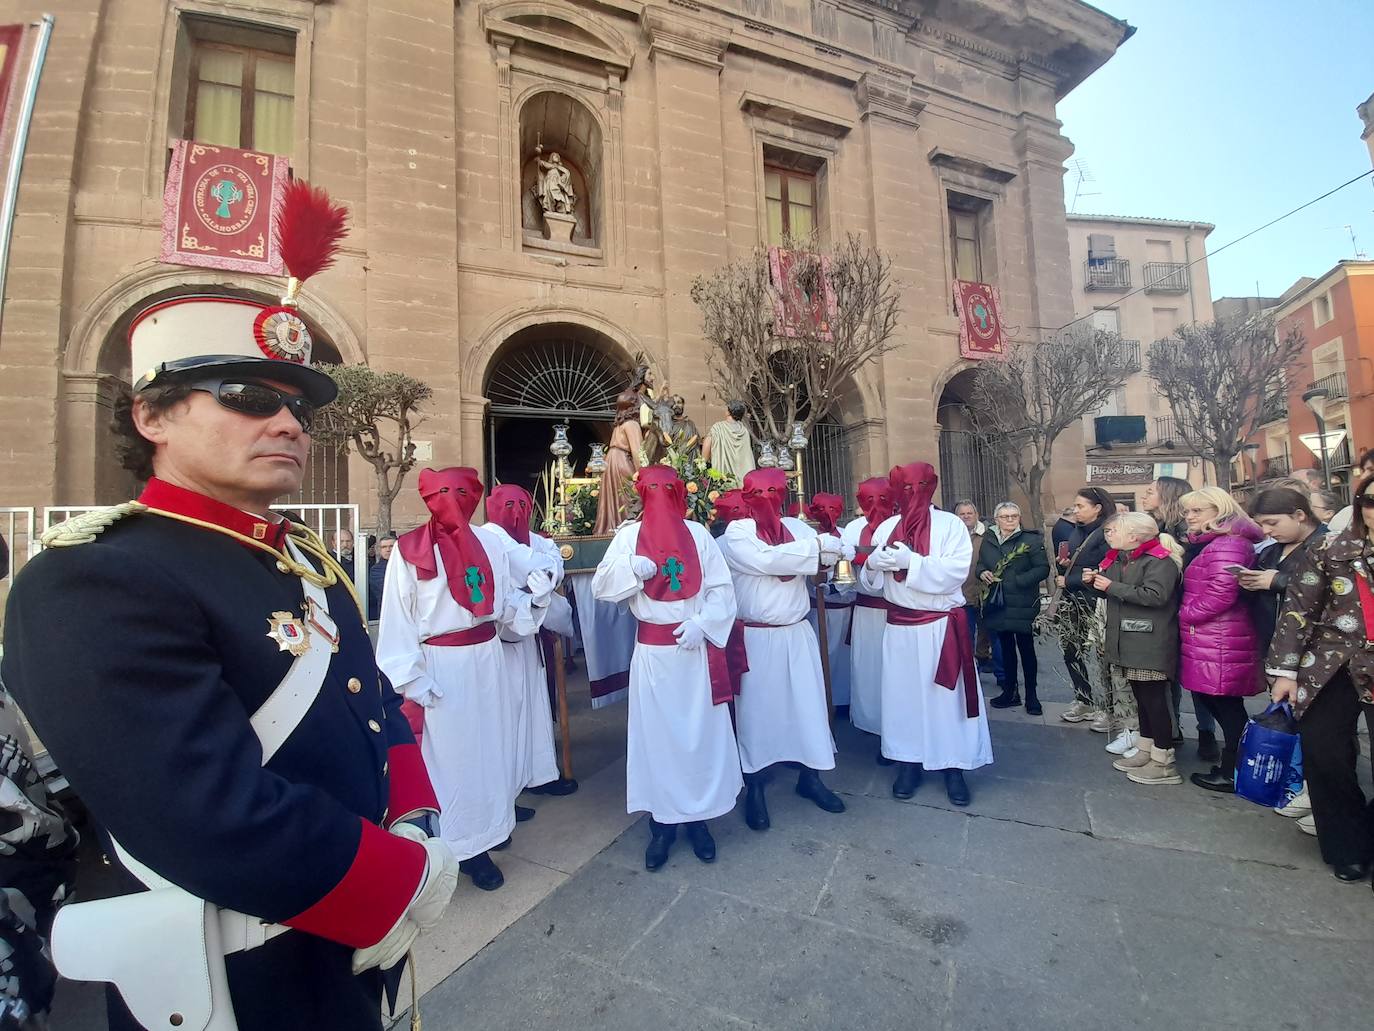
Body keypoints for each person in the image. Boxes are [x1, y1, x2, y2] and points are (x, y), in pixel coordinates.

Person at [2, 267, 457, 1028]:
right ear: (152, 413)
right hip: (235, 979)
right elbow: (206, 813)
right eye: (249, 397)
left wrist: (412, 814)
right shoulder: (91, 577)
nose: (287, 423)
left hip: (349, 946)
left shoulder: (303, 557)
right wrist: (398, 879)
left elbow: (372, 701)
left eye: (298, 407)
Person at [378, 468, 554, 891]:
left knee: (490, 754)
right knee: (451, 761)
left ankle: (485, 841)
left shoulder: (491, 542)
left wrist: (534, 596)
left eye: (461, 492)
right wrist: (410, 677)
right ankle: (450, 849)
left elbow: (505, 597)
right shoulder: (410, 550)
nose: (452, 500)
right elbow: (397, 616)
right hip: (442, 666)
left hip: (488, 661)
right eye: (443, 492)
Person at [591, 466, 744, 869]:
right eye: (652, 489)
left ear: (679, 494)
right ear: (642, 494)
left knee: (699, 737)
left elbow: (721, 589)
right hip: (654, 656)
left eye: (668, 489)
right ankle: (662, 824)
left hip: (695, 652)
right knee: (659, 738)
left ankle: (698, 820)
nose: (661, 495)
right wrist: (632, 569)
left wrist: (703, 624)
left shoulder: (697, 535)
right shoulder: (628, 536)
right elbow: (601, 586)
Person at [722, 468, 850, 830]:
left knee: (806, 706)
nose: (769, 497)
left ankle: (811, 778)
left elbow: (833, 553)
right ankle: (756, 787)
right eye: (761, 492)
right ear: (747, 495)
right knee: (758, 712)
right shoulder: (738, 532)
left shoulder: (796, 527)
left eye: (776, 491)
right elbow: (764, 560)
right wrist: (814, 549)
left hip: (796, 632)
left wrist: (817, 549)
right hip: (757, 637)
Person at [861, 462, 992, 806]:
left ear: (931, 486)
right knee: (903, 697)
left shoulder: (950, 525)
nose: (911, 493)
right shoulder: (888, 526)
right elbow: (870, 581)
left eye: (918, 486)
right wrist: (873, 566)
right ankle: (908, 761)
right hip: (900, 627)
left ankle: (953, 767)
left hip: (938, 626)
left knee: (945, 700)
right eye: (904, 487)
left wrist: (911, 563)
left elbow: (955, 570)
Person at [1267, 471, 1374, 887]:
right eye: (1370, 500)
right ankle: (1346, 847)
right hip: (1331, 664)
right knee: (1326, 757)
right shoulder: (1332, 549)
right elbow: (1298, 613)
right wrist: (1285, 671)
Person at [484, 484, 579, 801]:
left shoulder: (534, 539)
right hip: (502, 639)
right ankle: (508, 791)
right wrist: (542, 572)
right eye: (509, 503)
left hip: (530, 636)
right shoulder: (490, 535)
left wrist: (544, 575)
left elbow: (554, 563)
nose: (516, 510)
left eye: (523, 503)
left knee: (535, 708)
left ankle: (539, 774)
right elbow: (536, 565)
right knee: (508, 716)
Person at [1177, 486, 1265, 793]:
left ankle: (1233, 771)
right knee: (1219, 702)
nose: (1189, 516)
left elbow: (1220, 593)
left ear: (1220, 511)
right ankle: (1235, 768)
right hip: (1214, 636)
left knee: (1227, 707)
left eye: (1197, 511)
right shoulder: (1219, 542)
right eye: (1187, 511)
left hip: (1221, 637)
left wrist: (1184, 613)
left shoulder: (1228, 544)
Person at [1088, 513, 1185, 786]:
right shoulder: (1123, 559)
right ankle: (1146, 749)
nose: (1109, 535)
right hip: (1129, 639)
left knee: (1154, 701)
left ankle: (1164, 761)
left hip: (1149, 642)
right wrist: (1094, 582)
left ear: (1134, 536)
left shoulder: (1159, 561)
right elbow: (1113, 591)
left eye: (1114, 531)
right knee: (1142, 699)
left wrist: (1111, 585)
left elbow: (1155, 596)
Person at [1142, 475, 1218, 757]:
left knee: (1198, 677)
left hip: (1186, 610)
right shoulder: (1156, 527)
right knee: (1167, 675)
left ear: (1167, 495)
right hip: (1169, 611)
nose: (1145, 496)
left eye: (1151, 491)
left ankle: (1206, 731)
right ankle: (1171, 729)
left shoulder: (1184, 533)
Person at [979, 502, 1048, 715]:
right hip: (998, 603)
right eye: (1005, 516)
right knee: (1006, 649)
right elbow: (981, 564)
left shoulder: (1031, 539)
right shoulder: (988, 540)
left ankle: (1032, 696)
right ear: (996, 519)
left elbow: (1042, 568)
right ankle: (1010, 691)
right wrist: (982, 573)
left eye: (1014, 516)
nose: (1010, 520)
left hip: (1022, 602)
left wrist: (1017, 581)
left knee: (1026, 650)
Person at [842, 477, 896, 748]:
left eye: (882, 498)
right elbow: (845, 567)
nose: (875, 505)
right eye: (869, 499)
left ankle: (895, 725)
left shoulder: (901, 524)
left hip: (897, 612)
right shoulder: (853, 528)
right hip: (865, 609)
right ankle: (870, 721)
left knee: (893, 672)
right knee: (868, 668)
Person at [1054, 487, 1113, 725]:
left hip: (1097, 601)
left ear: (1097, 508)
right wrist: (1063, 566)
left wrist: (1071, 579)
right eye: (1076, 506)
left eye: (1081, 506)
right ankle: (1083, 697)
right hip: (1073, 601)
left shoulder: (1106, 533)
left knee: (1102, 656)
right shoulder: (1076, 531)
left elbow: (1107, 569)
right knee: (1071, 650)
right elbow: (1074, 565)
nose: (1076, 510)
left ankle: (1109, 706)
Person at [805, 492, 854, 719]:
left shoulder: (845, 536)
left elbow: (850, 575)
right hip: (816, 610)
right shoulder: (807, 536)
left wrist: (835, 589)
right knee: (818, 656)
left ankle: (842, 701)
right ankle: (820, 700)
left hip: (841, 608)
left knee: (842, 660)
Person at [954, 500, 1003, 684]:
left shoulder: (989, 535)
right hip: (962, 596)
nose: (966, 516)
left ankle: (1002, 677)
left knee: (994, 636)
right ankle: (969, 676)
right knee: (965, 638)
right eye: (962, 514)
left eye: (969, 513)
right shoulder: (953, 536)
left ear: (976, 515)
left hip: (987, 595)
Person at [594, 391, 645, 533]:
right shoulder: (632, 424)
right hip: (623, 461)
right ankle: (625, 529)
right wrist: (643, 473)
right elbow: (637, 451)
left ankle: (610, 527)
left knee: (613, 499)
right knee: (629, 496)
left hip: (611, 460)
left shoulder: (618, 426)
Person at [701, 400, 756, 482]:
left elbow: (706, 447)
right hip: (743, 477)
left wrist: (703, 464)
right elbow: (747, 455)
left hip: (724, 478)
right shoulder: (744, 431)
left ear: (729, 411)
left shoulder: (718, 428)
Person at [368, 534, 397, 621]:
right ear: (380, 550)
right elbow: (386, 590)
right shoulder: (376, 570)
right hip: (388, 615)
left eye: (391, 546)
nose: (388, 549)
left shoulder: (407, 566)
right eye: (384, 547)